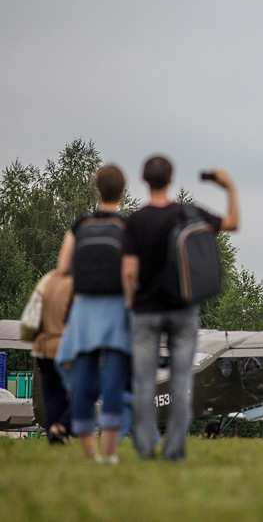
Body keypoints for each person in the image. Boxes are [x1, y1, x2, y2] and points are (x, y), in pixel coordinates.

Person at [122, 157, 238, 461]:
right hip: (183, 309)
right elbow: (232, 223)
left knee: (145, 382)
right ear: (171, 179)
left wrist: (131, 303)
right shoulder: (189, 214)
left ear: (145, 179)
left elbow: (130, 270)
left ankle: (146, 449)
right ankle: (174, 451)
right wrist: (229, 188)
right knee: (181, 380)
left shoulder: (135, 221)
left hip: (145, 311)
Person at [55, 164, 131, 463]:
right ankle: (110, 454)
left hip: (84, 309)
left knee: (84, 382)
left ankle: (89, 455)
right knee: (113, 383)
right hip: (116, 307)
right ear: (123, 191)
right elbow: (131, 271)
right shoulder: (127, 228)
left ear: (96, 188)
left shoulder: (80, 226)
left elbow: (63, 268)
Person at [32, 270, 74, 445]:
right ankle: (62, 427)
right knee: (83, 391)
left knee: (52, 395)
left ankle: (54, 434)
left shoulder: (46, 280)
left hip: (42, 347)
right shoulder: (76, 284)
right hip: (65, 347)